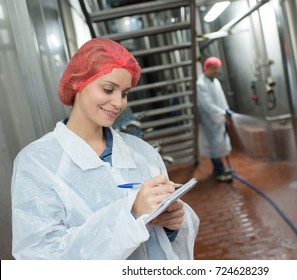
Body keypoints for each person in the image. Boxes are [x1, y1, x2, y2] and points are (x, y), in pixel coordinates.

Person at [11, 38, 199, 260]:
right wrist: (130, 214)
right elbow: (40, 257)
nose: (118, 103)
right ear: (78, 83)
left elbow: (164, 247)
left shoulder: (142, 152)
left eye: (124, 93)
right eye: (109, 89)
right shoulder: (37, 163)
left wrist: (172, 224)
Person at [196, 57, 234, 183]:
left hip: (219, 118)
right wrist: (222, 113)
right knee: (215, 145)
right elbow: (207, 104)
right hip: (209, 119)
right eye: (213, 68)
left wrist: (226, 110)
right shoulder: (200, 84)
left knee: (219, 144)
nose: (216, 71)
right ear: (206, 68)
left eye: (217, 68)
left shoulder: (215, 81)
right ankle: (219, 171)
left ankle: (220, 168)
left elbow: (222, 99)